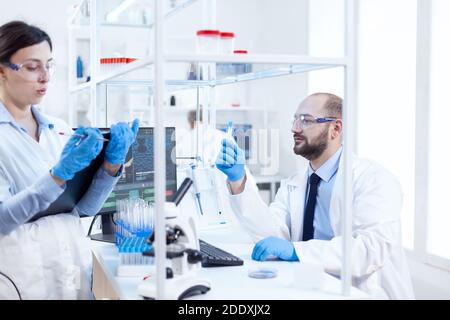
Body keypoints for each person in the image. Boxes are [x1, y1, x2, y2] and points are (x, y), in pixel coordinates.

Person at [216, 92, 414, 299]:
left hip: (360, 292)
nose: (295, 128)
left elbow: (367, 251)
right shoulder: (297, 181)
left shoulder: (374, 179)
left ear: (335, 129)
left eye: (306, 121)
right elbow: (272, 233)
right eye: (295, 119)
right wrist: (238, 180)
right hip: (309, 287)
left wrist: (296, 251)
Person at [0, 21, 139, 299]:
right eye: (32, 66)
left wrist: (111, 166)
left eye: (48, 65)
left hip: (72, 274)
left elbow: (83, 209)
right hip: (22, 282)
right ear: (2, 70)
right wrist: (58, 175)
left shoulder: (59, 129)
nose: (45, 76)